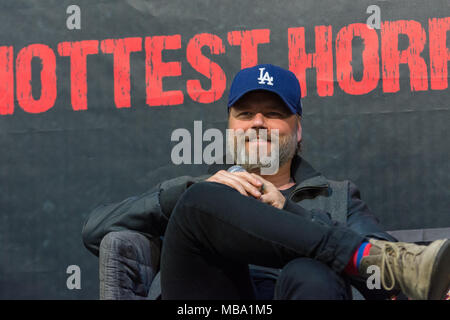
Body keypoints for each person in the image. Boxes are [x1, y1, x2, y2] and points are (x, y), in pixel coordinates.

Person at [82, 64, 450, 300]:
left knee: (310, 274)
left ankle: (345, 256)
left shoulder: (337, 197)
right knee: (200, 201)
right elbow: (95, 230)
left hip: (303, 293)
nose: (258, 122)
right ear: (229, 128)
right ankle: (350, 253)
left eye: (273, 114)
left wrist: (288, 210)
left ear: (298, 129)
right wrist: (184, 193)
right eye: (245, 114)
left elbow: (391, 285)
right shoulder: (200, 191)